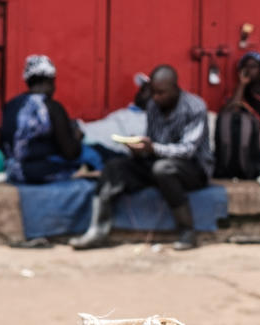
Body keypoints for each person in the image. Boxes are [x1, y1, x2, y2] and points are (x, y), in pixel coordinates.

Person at [70, 65, 212, 251]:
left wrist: (153, 148)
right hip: (156, 162)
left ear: (175, 88)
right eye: (153, 92)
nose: (156, 97)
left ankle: (187, 231)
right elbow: (153, 140)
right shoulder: (153, 106)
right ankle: (97, 230)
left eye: (161, 93)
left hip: (192, 169)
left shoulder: (195, 107)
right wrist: (140, 149)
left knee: (163, 169)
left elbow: (187, 150)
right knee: (115, 167)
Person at [0, 54, 91, 183]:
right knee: (93, 155)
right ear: (49, 81)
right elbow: (70, 153)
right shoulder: (52, 107)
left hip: (11, 171)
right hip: (41, 173)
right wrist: (77, 136)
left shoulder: (11, 105)